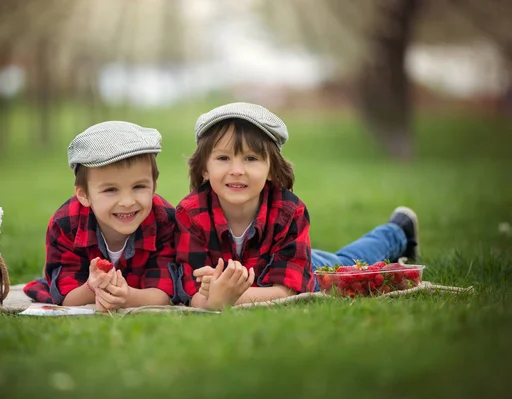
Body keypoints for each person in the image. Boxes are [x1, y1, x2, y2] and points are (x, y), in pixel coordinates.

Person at [174, 102, 419, 310]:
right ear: (205, 168)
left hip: (299, 267)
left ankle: (398, 231)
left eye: (251, 158)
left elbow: (286, 293)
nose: (237, 171)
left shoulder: (288, 212)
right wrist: (214, 298)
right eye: (223, 158)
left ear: (271, 169)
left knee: (349, 263)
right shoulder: (190, 214)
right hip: (265, 271)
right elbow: (189, 293)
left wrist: (225, 298)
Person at [23, 121, 177, 311]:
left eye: (139, 186)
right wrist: (92, 287)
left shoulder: (165, 220)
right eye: (111, 189)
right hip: (84, 288)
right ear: (84, 195)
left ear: (154, 185)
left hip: (136, 292)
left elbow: (164, 293)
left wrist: (128, 297)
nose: (127, 201)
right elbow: (65, 297)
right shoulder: (65, 223)